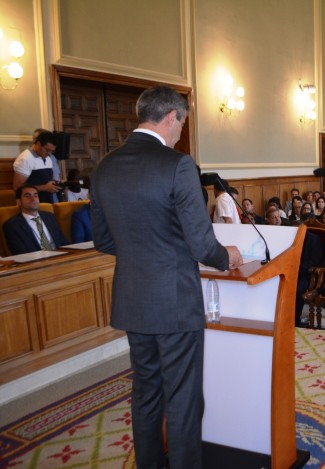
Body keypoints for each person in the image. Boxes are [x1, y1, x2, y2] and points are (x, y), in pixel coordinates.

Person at [90, 85, 242, 469]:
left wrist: (145, 252)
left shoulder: (105, 165)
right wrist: (230, 256)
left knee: (146, 395)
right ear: (171, 116)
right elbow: (201, 244)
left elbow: (104, 240)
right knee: (183, 400)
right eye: (182, 123)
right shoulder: (177, 164)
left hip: (132, 299)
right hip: (174, 302)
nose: (180, 133)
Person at [3, 184, 68, 254]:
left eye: (35, 196)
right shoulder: (12, 225)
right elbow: (20, 253)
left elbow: (64, 242)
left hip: (60, 257)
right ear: (19, 202)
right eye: (27, 196)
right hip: (36, 262)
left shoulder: (50, 217)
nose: (33, 199)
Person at [13, 130, 60, 204]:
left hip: (48, 203)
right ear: (38, 144)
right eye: (47, 150)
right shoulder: (25, 159)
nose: (49, 154)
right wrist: (44, 187)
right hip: (31, 204)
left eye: (52, 151)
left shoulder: (48, 157)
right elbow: (17, 187)